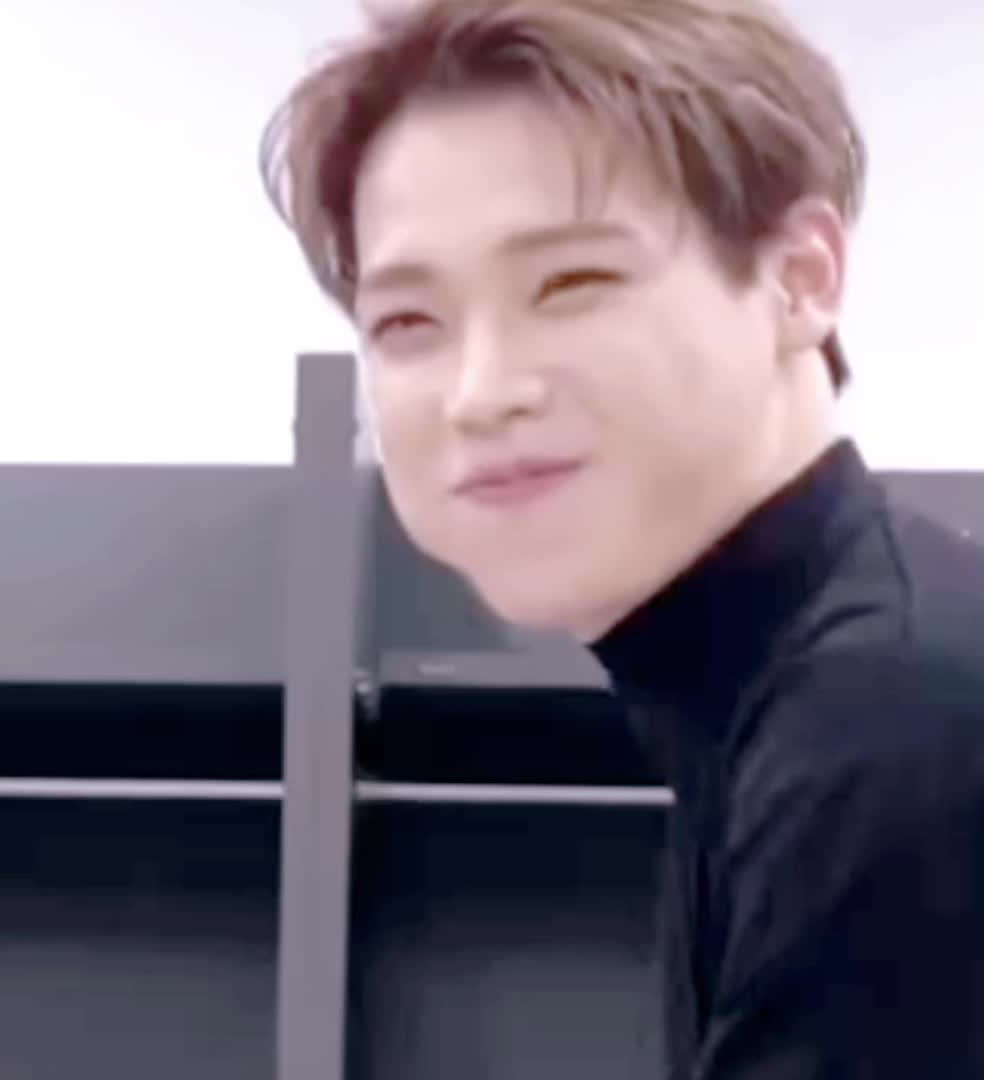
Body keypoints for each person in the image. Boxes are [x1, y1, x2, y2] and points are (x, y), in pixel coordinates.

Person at [262, 0, 984, 1076]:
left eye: (572, 283)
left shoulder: (893, 724)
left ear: (800, 278)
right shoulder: (794, 691)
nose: (481, 392)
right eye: (409, 322)